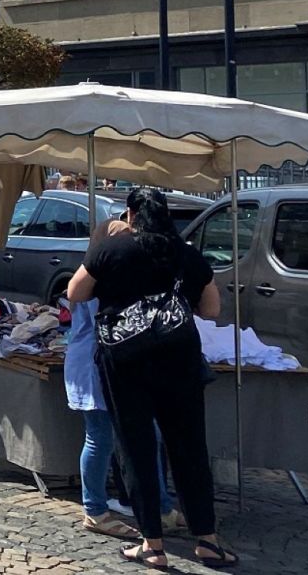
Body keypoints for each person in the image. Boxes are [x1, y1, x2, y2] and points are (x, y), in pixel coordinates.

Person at [67, 189, 233, 569]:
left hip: (126, 362)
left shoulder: (111, 249)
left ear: (130, 214)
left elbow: (75, 291)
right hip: (179, 360)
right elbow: (211, 308)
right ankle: (207, 541)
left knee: (136, 448)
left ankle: (152, 546)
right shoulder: (185, 253)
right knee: (190, 448)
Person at [66, 287, 179, 540]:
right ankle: (95, 510)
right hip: (98, 362)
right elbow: (111, 318)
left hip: (120, 363)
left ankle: (161, 506)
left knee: (149, 434)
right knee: (100, 437)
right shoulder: (99, 274)